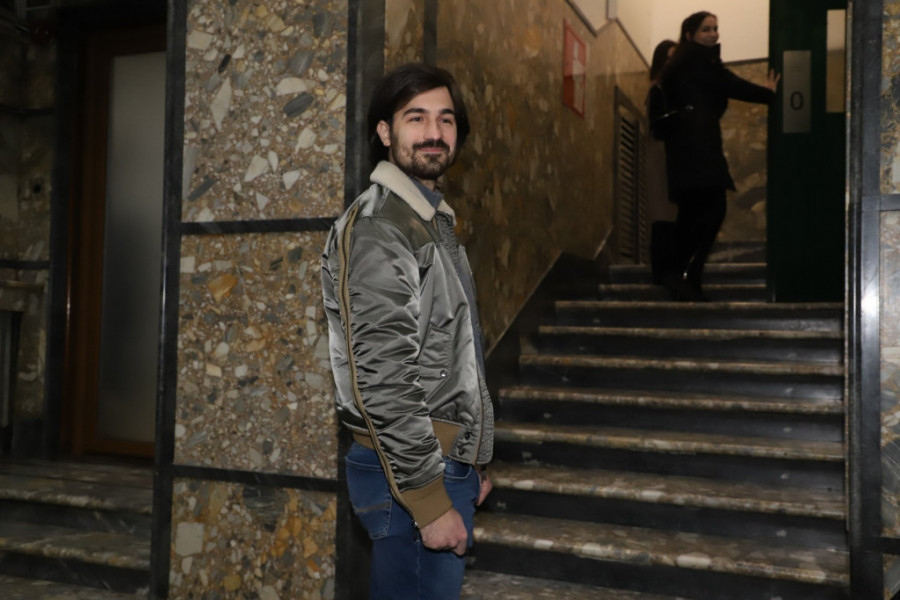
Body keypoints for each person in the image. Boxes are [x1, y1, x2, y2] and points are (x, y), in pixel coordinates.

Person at [320, 63, 494, 600]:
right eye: (415, 118)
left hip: (439, 462)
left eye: (446, 119)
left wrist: (473, 456)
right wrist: (429, 500)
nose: (434, 132)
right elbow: (383, 375)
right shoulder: (383, 225)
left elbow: (452, 355)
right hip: (412, 472)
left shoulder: (426, 219)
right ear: (384, 131)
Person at [657, 11, 780, 301]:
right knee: (713, 208)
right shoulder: (699, 58)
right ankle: (684, 274)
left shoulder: (684, 60)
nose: (713, 34)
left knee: (693, 211)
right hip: (697, 144)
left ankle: (680, 275)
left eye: (715, 28)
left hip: (685, 144)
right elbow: (730, 84)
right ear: (690, 35)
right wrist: (768, 93)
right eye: (706, 29)